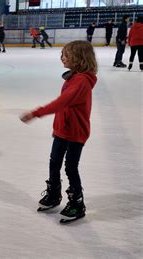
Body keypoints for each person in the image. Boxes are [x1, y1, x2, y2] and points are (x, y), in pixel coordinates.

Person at [20, 40, 98, 224]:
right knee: (54, 162)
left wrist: (35, 113)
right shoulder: (74, 77)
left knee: (70, 167)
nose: (62, 58)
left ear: (78, 58)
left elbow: (61, 102)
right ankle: (54, 194)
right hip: (62, 129)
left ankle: (77, 203)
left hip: (76, 133)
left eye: (66, 55)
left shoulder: (81, 81)